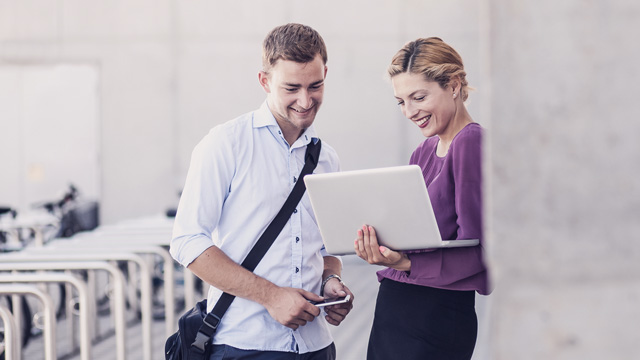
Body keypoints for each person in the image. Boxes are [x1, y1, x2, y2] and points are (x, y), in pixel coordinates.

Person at [170, 23, 353, 359]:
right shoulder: (225, 144)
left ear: (325, 73)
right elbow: (187, 241)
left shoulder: (327, 158)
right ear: (265, 81)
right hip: (244, 344)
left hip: (317, 345)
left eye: (316, 85)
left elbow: (327, 246)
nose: (305, 100)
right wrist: (271, 296)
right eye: (291, 88)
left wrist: (330, 282)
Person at [354, 37, 490, 360]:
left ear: (453, 85)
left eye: (418, 97)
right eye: (401, 101)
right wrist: (380, 245)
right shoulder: (424, 150)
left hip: (434, 318)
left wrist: (404, 262)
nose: (410, 112)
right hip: (396, 309)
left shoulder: (470, 142)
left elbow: (481, 253)